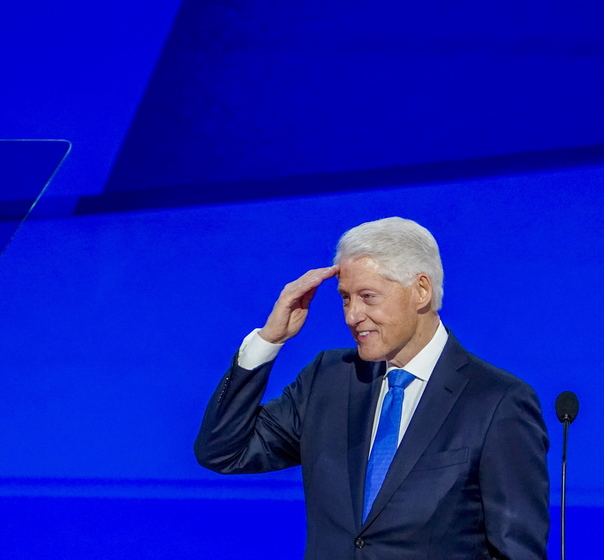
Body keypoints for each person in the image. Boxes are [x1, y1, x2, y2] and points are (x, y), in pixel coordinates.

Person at [194, 217, 549, 559]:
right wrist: (268, 341)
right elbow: (224, 452)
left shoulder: (497, 401)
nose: (351, 315)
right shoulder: (328, 379)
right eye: (345, 298)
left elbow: (516, 551)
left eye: (367, 296)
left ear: (421, 290)